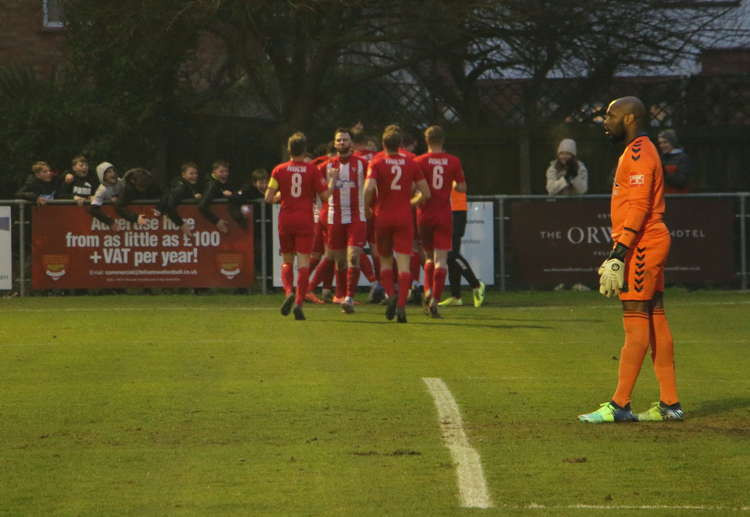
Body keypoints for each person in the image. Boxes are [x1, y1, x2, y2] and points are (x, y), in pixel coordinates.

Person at [579, 96, 682, 424]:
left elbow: (637, 206)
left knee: (635, 324)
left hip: (641, 245)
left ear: (630, 119)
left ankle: (619, 404)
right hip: (651, 241)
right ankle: (670, 404)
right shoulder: (643, 149)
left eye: (611, 115)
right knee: (656, 320)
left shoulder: (638, 152)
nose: (605, 121)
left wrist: (618, 252)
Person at [364, 124, 430, 323]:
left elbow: (368, 188)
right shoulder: (411, 162)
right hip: (403, 217)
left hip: (382, 216)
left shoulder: (376, 162)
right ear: (401, 144)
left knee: (384, 259)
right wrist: (411, 202)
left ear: (382, 144)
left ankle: (390, 295)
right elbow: (425, 193)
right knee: (403, 263)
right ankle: (401, 304)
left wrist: (367, 207)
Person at [265, 132, 329, 321]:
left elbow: (268, 198)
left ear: (288, 149)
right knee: (303, 263)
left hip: (286, 219)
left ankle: (287, 293)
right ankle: (299, 302)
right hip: (305, 220)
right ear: (305, 149)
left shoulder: (279, 170)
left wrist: (280, 196)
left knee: (287, 260)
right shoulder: (312, 170)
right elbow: (325, 197)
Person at [414, 125, 467, 318]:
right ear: (443, 140)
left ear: (426, 140)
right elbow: (461, 187)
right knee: (441, 260)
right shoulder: (453, 161)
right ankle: (435, 299)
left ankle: (427, 290)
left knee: (428, 256)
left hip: (424, 214)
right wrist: (450, 182)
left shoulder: (418, 161)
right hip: (444, 214)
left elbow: (414, 189)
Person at [319, 127, 370, 313]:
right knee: (339, 262)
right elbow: (319, 191)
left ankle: (349, 297)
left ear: (352, 143)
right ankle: (340, 296)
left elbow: (374, 186)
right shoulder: (326, 166)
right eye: (339, 140)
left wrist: (370, 205)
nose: (342, 143)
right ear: (334, 143)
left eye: (345, 140)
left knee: (354, 256)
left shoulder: (363, 164)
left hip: (357, 216)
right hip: (335, 217)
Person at [439, 187, 486, 308]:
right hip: (447, 211)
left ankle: (476, 285)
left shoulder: (454, 168)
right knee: (450, 258)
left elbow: (459, 185)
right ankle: (456, 296)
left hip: (457, 212)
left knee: (452, 255)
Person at [154, 161, 203, 234]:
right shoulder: (180, 187)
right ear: (183, 175)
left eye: (196, 173)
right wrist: (181, 224)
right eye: (191, 173)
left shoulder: (194, 185)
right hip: (175, 222)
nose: (195, 176)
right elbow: (169, 207)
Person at [198, 160, 246, 233]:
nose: (225, 174)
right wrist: (217, 221)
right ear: (214, 172)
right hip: (210, 225)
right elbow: (202, 206)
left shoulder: (230, 181)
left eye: (226, 171)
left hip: (228, 222)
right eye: (221, 172)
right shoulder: (211, 185)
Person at [89, 163, 125, 229]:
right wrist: (110, 222)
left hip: (125, 219)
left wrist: (120, 197)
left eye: (114, 171)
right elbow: (93, 209)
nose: (113, 173)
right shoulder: (102, 190)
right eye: (109, 172)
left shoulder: (121, 182)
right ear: (102, 175)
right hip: (111, 223)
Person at [657, 129, 690, 194]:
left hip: (678, 197)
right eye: (660, 143)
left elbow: (681, 181)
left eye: (665, 142)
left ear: (672, 143)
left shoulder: (682, 158)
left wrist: (665, 173)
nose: (662, 145)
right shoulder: (661, 158)